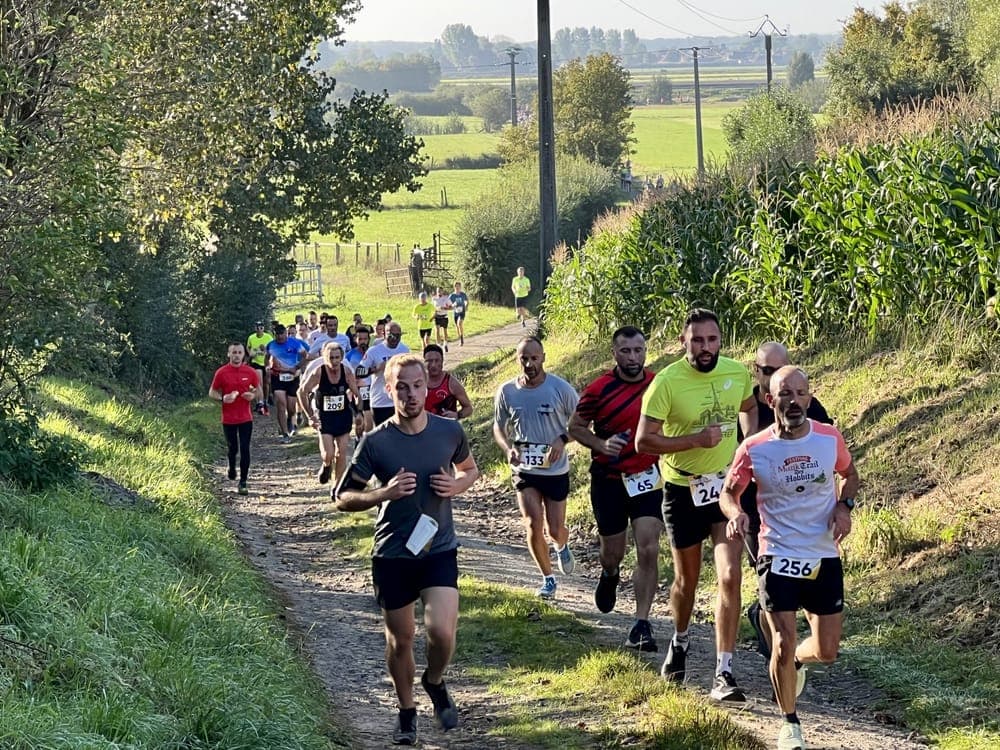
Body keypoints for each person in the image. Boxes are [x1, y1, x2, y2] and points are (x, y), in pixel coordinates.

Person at [334, 354, 480, 746]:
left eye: (417, 386)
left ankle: (434, 682)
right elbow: (343, 497)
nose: (411, 394)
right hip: (393, 554)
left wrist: (457, 486)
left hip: (438, 548)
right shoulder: (376, 441)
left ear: (427, 387)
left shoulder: (449, 432)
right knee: (401, 639)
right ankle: (406, 711)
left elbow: (469, 469)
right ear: (389, 389)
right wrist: (384, 492)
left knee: (441, 632)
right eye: (402, 387)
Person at [721, 366, 859, 750]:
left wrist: (844, 506)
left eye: (801, 393)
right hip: (776, 552)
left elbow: (849, 474)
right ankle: (790, 725)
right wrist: (736, 515)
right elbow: (729, 493)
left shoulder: (829, 439)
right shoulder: (755, 447)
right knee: (782, 640)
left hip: (822, 553)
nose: (794, 401)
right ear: (771, 400)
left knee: (827, 651)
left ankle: (797, 662)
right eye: (785, 394)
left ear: (810, 399)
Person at [635, 308, 757, 702]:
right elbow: (643, 442)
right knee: (686, 583)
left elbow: (749, 406)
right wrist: (693, 441)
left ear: (721, 341)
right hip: (682, 490)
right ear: (683, 342)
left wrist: (748, 444)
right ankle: (681, 640)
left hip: (725, 491)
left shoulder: (736, 372)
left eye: (713, 340)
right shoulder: (666, 383)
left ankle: (724, 672)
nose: (706, 348)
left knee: (729, 576)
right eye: (698, 341)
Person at [568, 326, 662, 651]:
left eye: (638, 350)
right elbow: (575, 427)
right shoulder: (598, 389)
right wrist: (599, 443)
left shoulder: (658, 385)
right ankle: (609, 574)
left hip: (647, 478)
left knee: (649, 547)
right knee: (614, 552)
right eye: (626, 351)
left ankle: (642, 623)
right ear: (615, 354)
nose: (633, 357)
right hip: (608, 481)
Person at [741, 342, 833, 656]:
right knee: (771, 582)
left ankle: (791, 649)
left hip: (804, 518)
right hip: (758, 513)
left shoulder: (806, 404)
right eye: (767, 371)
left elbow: (826, 449)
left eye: (780, 369)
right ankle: (779, 656)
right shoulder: (745, 406)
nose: (774, 376)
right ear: (756, 372)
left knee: (803, 589)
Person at [493, 336, 579, 599]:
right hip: (525, 469)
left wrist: (562, 439)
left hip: (554, 470)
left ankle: (561, 545)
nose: (529, 364)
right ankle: (548, 578)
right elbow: (498, 426)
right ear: (517, 359)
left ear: (543, 357)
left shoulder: (560, 389)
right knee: (532, 523)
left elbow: (581, 424)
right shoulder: (507, 391)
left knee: (555, 529)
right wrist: (509, 448)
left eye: (534, 358)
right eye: (524, 358)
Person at [298, 342, 362, 485]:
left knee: (342, 453)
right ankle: (326, 465)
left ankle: (338, 487)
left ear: (341, 357)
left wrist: (359, 414)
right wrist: (310, 416)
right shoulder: (319, 372)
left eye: (337, 357)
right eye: (331, 358)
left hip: (343, 416)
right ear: (326, 358)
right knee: (329, 454)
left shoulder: (346, 372)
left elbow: (357, 394)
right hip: (325, 417)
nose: (334, 361)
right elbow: (302, 392)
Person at [208, 342, 261, 495]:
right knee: (233, 448)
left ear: (244, 354)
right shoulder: (222, 372)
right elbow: (212, 392)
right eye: (234, 352)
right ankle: (231, 466)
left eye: (239, 352)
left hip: (245, 418)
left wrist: (253, 395)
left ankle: (243, 481)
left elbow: (257, 390)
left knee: (245, 448)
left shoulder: (250, 372)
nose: (237, 355)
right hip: (229, 418)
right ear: (228, 354)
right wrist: (223, 398)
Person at [360, 321, 411, 427]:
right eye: (391, 335)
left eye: (398, 336)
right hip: (380, 401)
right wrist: (375, 369)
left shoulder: (404, 350)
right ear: (384, 334)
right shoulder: (374, 351)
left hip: (399, 400)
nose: (394, 339)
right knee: (382, 437)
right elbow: (359, 372)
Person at [266, 324, 308, 444]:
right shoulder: (271, 345)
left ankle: (290, 418)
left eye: (282, 334)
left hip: (292, 377)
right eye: (277, 334)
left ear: (286, 333)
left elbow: (305, 356)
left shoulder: (294, 343)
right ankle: (284, 433)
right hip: (277, 377)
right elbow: (266, 358)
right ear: (274, 335)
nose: (280, 337)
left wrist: (297, 367)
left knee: (291, 407)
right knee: (281, 403)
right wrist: (267, 367)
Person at [423, 345, 473, 420]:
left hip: (446, 428)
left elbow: (468, 408)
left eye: (437, 360)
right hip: (423, 429)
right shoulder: (418, 381)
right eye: (429, 361)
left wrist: (457, 415)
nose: (433, 365)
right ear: (424, 362)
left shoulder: (451, 383)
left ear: (442, 361)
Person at [346, 325, 375, 434]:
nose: (363, 341)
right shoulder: (350, 355)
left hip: (370, 389)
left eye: (365, 339)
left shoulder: (373, 353)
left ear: (369, 339)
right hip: (355, 390)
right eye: (360, 339)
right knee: (359, 421)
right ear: (355, 339)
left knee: (368, 420)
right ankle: (358, 440)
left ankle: (366, 442)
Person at [246, 321, 272, 415]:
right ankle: (259, 403)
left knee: (266, 384)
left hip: (266, 362)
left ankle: (265, 400)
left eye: (261, 327)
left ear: (263, 328)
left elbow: (272, 348)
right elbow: (248, 347)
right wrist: (250, 353)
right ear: (255, 328)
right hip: (256, 362)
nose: (259, 329)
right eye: (257, 327)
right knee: (259, 383)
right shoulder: (251, 337)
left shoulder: (268, 337)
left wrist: (265, 350)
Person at [449, 282, 469, 346]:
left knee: (459, 323)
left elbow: (467, 301)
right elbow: (449, 304)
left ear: (460, 287)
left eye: (459, 286)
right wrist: (453, 305)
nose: (457, 288)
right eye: (456, 286)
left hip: (462, 312)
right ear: (454, 287)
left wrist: (466, 307)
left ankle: (462, 340)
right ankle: (460, 338)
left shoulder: (463, 294)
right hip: (456, 312)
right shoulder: (452, 295)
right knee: (457, 326)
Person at [432, 287, 452, 352]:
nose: (439, 292)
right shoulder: (434, 298)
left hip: (444, 316)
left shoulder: (446, 298)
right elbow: (432, 308)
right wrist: (436, 310)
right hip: (437, 316)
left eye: (440, 291)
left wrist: (445, 308)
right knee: (437, 330)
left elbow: (451, 307)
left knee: (444, 331)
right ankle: (438, 345)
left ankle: (445, 343)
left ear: (442, 291)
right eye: (438, 291)